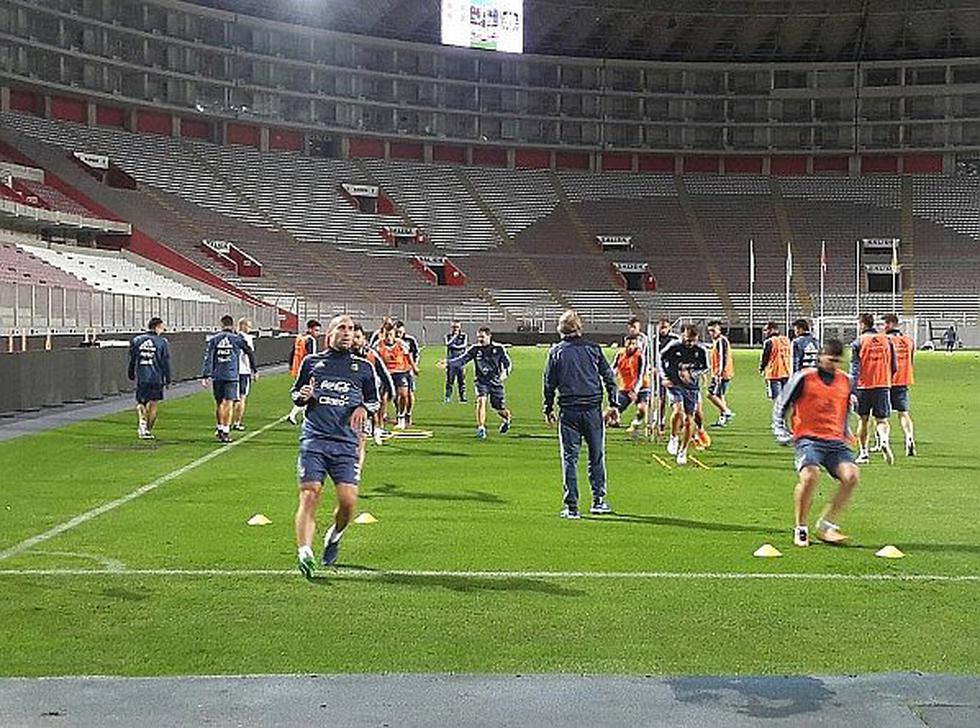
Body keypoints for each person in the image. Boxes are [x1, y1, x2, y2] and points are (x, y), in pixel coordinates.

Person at [292, 314, 381, 578]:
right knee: (310, 493)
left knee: (348, 502)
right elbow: (296, 394)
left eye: (351, 329)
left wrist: (364, 407)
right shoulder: (312, 363)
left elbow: (375, 401)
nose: (347, 333)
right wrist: (302, 397)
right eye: (341, 328)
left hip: (346, 442)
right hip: (315, 439)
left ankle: (335, 534)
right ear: (329, 333)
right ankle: (305, 552)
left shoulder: (363, 367)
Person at [773, 339, 860, 547]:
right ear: (820, 357)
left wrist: (846, 431)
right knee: (810, 476)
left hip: (835, 441)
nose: (834, 364)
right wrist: (781, 431)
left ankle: (826, 525)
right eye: (830, 359)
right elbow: (781, 404)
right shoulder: (804, 377)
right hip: (808, 439)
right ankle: (801, 527)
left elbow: (842, 409)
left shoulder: (846, 381)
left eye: (838, 361)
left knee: (852, 476)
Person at [543, 310, 619, 519]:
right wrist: (613, 403)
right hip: (592, 410)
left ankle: (572, 507)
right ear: (579, 327)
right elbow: (609, 376)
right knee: (596, 456)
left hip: (568, 411)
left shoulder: (556, 352)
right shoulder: (593, 349)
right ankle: (598, 501)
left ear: (560, 330)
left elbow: (549, 383)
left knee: (570, 459)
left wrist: (548, 407)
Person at [438, 326, 513, 439]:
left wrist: (504, 374)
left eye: (482, 337)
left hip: (495, 382)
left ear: (489, 336)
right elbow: (462, 359)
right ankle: (481, 428)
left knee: (498, 408)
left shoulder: (499, 348)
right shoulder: (475, 349)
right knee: (481, 401)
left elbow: (508, 364)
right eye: (479, 337)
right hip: (481, 381)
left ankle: (507, 420)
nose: (480, 339)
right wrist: (448, 363)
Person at [851, 313, 897, 465]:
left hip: (863, 386)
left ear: (862, 324)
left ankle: (864, 453)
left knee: (863, 420)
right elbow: (894, 365)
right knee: (882, 420)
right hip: (882, 384)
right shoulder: (886, 340)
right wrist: (887, 377)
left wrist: (852, 388)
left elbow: (855, 368)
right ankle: (883, 440)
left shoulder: (858, 342)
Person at [201, 315, 256, 443]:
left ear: (221, 324)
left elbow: (208, 358)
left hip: (217, 375)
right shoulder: (237, 339)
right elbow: (249, 351)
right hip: (231, 375)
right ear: (232, 325)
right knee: (228, 403)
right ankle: (225, 430)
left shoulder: (214, 339)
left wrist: (205, 375)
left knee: (219, 403)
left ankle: (220, 427)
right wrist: (254, 369)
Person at [660, 325, 710, 465]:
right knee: (678, 410)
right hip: (674, 384)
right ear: (682, 335)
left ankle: (683, 451)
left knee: (689, 419)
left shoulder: (701, 350)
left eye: (692, 340)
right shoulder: (674, 346)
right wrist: (664, 377)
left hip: (691, 387)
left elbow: (706, 367)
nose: (690, 343)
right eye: (687, 340)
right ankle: (673, 437)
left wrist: (692, 373)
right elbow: (661, 359)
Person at [127, 316, 171, 440]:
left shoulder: (137, 340)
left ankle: (142, 424)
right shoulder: (162, 342)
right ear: (157, 327)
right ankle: (147, 429)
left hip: (142, 377)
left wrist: (131, 372)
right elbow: (165, 362)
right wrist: (168, 378)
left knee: (141, 402)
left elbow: (132, 359)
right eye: (162, 327)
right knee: (153, 404)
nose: (163, 330)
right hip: (156, 377)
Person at [353, 323, 394, 447]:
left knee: (373, 414)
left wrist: (391, 391)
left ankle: (376, 431)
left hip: (372, 389)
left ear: (363, 338)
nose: (354, 341)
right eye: (352, 337)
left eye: (357, 337)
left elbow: (384, 373)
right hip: (353, 391)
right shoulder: (343, 355)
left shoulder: (371, 354)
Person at [883, 314, 917, 457]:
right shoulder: (908, 341)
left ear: (891, 324)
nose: (882, 327)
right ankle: (909, 437)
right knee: (903, 413)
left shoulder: (885, 341)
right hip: (903, 379)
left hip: (887, 380)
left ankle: (882, 441)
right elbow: (911, 360)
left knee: (881, 415)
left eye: (884, 324)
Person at [377, 325, 418, 430]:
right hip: (386, 373)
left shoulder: (401, 344)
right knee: (383, 398)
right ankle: (380, 423)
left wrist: (414, 367)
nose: (388, 337)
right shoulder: (378, 345)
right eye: (386, 335)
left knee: (404, 394)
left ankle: (401, 417)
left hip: (401, 371)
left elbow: (409, 355)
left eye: (390, 334)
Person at [611, 333, 649, 438]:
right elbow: (613, 368)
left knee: (642, 408)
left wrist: (635, 390)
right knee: (612, 411)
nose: (630, 346)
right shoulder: (620, 354)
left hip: (641, 387)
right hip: (625, 387)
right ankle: (614, 420)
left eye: (633, 343)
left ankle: (635, 424)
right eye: (628, 343)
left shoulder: (640, 356)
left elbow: (640, 375)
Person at [287, 320, 320, 425]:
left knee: (303, 393)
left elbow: (292, 353)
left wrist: (291, 366)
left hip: (297, 369)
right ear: (310, 329)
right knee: (307, 393)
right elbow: (312, 357)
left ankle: (298, 415)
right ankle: (294, 415)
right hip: (306, 371)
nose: (317, 333)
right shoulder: (310, 340)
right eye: (316, 330)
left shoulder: (299, 338)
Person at [706, 320, 735, 427]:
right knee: (720, 395)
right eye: (709, 331)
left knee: (710, 394)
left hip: (721, 374)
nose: (711, 333)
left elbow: (723, 357)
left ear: (719, 330)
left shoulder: (721, 341)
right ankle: (723, 418)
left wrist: (719, 373)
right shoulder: (717, 341)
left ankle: (727, 412)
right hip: (721, 373)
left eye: (713, 330)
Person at [654, 318, 679, 435]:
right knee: (661, 398)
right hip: (659, 374)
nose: (663, 330)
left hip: (673, 374)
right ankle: (660, 421)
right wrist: (652, 367)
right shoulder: (654, 340)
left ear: (669, 328)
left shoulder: (675, 339)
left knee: (676, 400)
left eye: (665, 327)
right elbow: (650, 355)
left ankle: (680, 422)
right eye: (661, 327)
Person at [232, 318, 258, 431]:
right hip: (243, 371)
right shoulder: (246, 338)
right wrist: (254, 370)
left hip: (232, 371)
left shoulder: (232, 337)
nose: (250, 329)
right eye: (249, 326)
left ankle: (226, 423)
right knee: (242, 397)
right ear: (242, 326)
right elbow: (250, 354)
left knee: (230, 398)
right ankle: (237, 422)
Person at [395, 321, 421, 425]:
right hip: (395, 371)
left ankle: (408, 414)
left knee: (409, 393)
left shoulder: (410, 340)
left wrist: (413, 366)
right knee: (397, 395)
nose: (398, 334)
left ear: (404, 330)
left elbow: (415, 353)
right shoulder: (392, 340)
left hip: (408, 369)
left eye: (400, 332)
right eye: (396, 332)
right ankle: (399, 413)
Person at [760, 321, 792, 400]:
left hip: (774, 373)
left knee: (777, 400)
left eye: (766, 330)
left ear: (772, 329)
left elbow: (765, 357)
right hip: (787, 372)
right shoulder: (786, 340)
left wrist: (761, 368)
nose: (765, 332)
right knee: (786, 399)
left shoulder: (769, 341)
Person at [444, 320, 468, 403]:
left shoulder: (464, 336)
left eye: (457, 327)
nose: (455, 329)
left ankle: (462, 397)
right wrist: (454, 337)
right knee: (450, 381)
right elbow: (448, 344)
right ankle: (448, 397)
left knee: (461, 381)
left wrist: (454, 346)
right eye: (454, 327)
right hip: (451, 361)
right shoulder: (448, 336)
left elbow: (464, 346)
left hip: (461, 361)